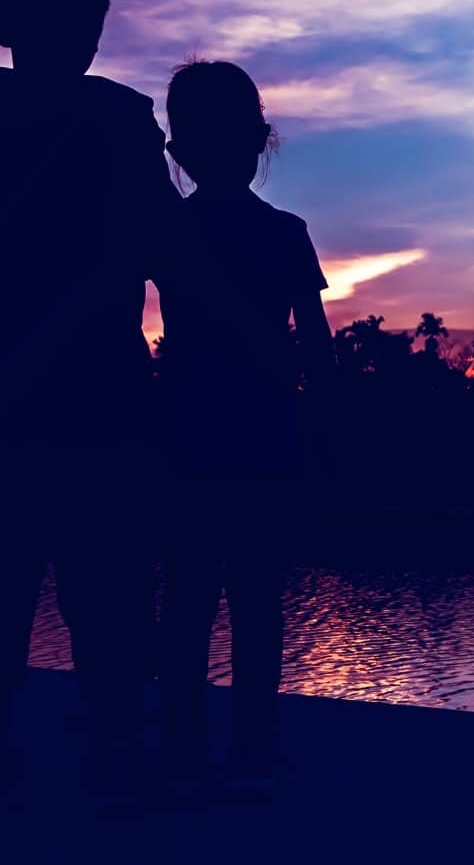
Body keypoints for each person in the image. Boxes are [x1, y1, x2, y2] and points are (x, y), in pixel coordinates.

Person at [0, 0, 177, 795]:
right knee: (107, 602)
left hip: (62, 400)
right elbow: (147, 251)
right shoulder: (119, 116)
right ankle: (116, 763)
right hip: (98, 403)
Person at [153, 59, 334, 794]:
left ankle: (184, 756)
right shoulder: (286, 233)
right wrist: (327, 435)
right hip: (264, 436)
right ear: (260, 139)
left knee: (188, 604)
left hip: (186, 437)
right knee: (257, 603)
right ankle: (253, 750)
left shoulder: (169, 234)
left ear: (179, 150)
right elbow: (317, 349)